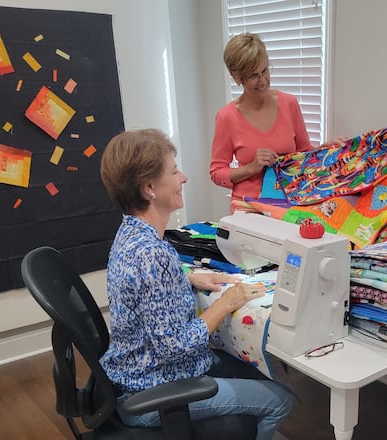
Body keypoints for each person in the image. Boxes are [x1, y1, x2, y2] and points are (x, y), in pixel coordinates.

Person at [99, 129, 293, 440]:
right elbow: (175, 346)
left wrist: (185, 277)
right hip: (155, 391)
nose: (184, 177)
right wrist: (226, 303)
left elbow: (143, 286)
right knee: (281, 400)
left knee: (267, 377)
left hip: (134, 375)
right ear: (149, 188)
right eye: (174, 171)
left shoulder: (131, 233)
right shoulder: (153, 254)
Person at [210, 32, 345, 213]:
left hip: (290, 203)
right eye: (253, 76)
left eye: (265, 71)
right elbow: (217, 172)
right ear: (236, 77)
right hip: (248, 206)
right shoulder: (226, 117)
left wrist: (325, 149)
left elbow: (303, 154)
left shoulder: (289, 104)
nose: (263, 81)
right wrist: (251, 168)